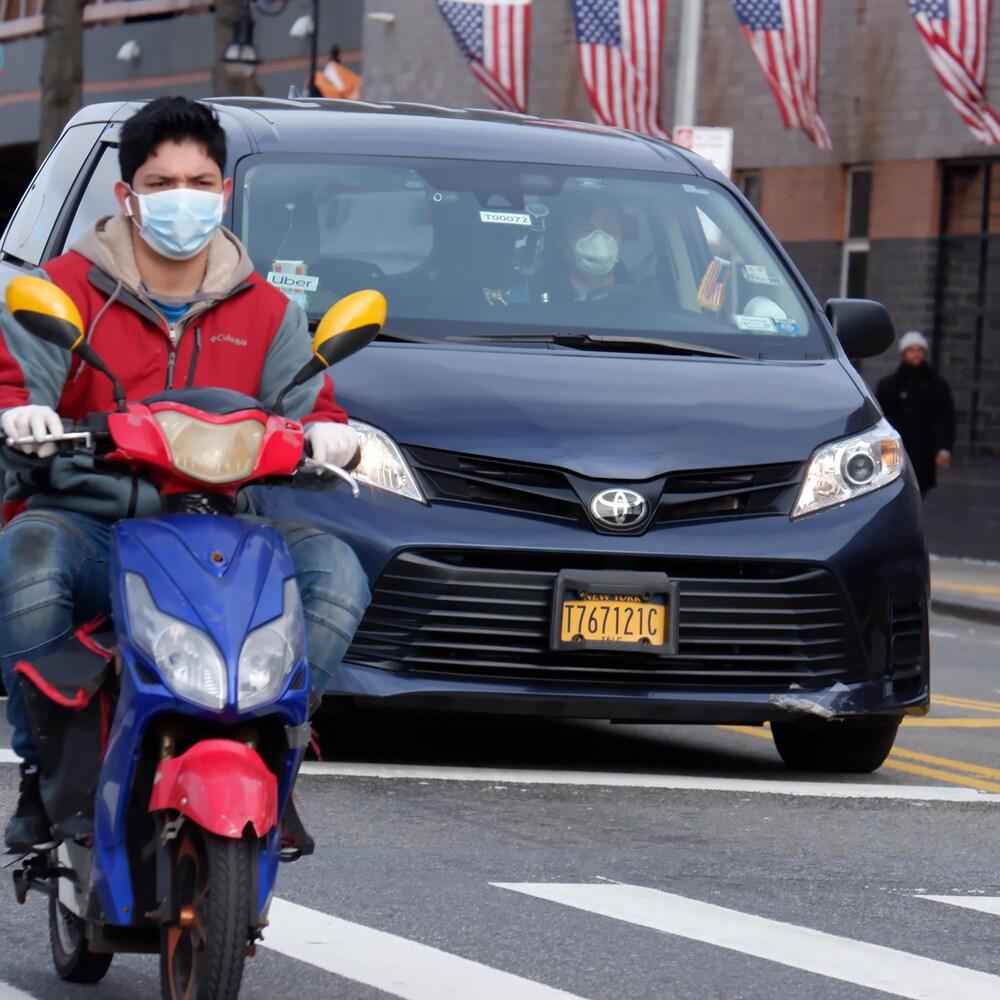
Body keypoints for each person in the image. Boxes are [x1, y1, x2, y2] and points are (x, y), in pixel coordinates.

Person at [0, 97, 370, 852]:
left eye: (200, 182)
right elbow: (17, 383)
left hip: (219, 529)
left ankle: (278, 755)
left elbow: (311, 406)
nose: (184, 199)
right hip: (91, 523)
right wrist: (22, 419)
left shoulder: (267, 309)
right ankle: (44, 774)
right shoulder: (67, 289)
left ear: (223, 192)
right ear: (127, 197)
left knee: (336, 570)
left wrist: (331, 440)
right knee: (26, 563)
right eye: (162, 183)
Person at [875, 330, 955, 498]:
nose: (916, 355)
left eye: (919, 351)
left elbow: (947, 418)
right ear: (904, 354)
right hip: (895, 449)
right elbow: (879, 418)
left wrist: (944, 448)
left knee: (919, 490)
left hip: (924, 448)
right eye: (911, 350)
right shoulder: (889, 385)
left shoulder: (937, 385)